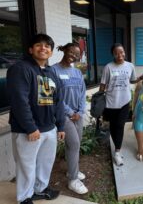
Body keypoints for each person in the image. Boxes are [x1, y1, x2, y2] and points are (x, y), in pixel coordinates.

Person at [6, 34, 65, 204]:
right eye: (38, 45)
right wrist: (30, 127)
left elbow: (59, 101)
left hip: (49, 128)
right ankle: (24, 197)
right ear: (31, 49)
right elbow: (19, 101)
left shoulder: (51, 72)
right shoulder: (21, 69)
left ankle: (40, 189)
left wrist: (60, 126)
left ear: (51, 52)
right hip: (28, 130)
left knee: (45, 163)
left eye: (47, 46)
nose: (43, 48)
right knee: (26, 166)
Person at [100, 43, 143, 166]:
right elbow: (103, 86)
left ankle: (117, 152)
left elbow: (131, 80)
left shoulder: (130, 66)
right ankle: (116, 147)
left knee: (120, 125)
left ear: (124, 52)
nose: (120, 55)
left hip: (125, 101)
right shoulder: (108, 67)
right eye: (117, 53)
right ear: (113, 54)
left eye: (122, 52)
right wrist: (98, 100)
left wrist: (141, 77)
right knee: (113, 126)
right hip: (110, 102)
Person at [52, 43, 88, 194]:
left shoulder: (77, 72)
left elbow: (82, 92)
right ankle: (73, 180)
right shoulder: (53, 70)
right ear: (65, 50)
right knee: (73, 144)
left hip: (77, 114)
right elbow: (54, 95)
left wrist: (80, 111)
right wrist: (69, 112)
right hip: (62, 114)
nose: (73, 55)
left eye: (76, 54)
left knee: (75, 144)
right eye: (71, 52)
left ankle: (72, 170)